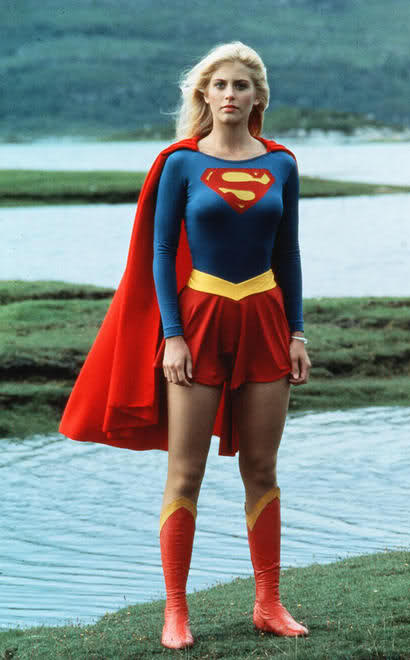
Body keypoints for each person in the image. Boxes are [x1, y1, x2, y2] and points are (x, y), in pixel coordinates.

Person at [59, 40, 311, 650]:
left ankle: (269, 604)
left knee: (262, 468)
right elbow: (162, 251)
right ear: (204, 93)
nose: (230, 94)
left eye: (241, 85)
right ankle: (176, 612)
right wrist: (172, 337)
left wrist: (297, 331)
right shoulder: (180, 163)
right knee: (185, 472)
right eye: (219, 84)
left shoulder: (282, 164)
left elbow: (289, 253)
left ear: (258, 96)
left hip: (265, 319)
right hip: (198, 321)